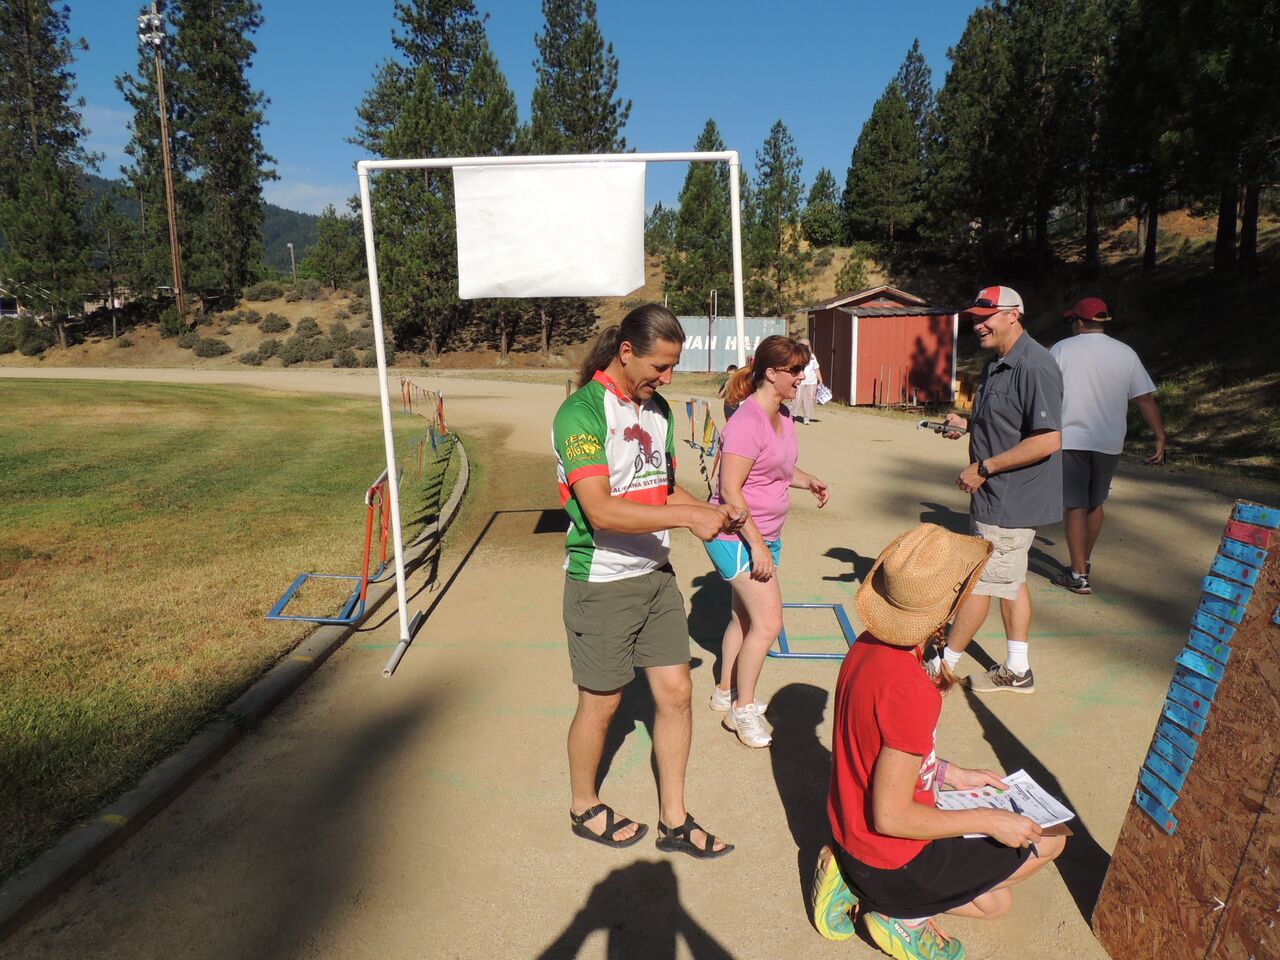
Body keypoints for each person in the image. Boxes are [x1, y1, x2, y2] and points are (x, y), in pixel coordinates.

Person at [812, 523, 1066, 959]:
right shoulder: (912, 688)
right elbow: (891, 816)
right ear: (952, 603)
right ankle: (896, 915)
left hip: (851, 838)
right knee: (1052, 838)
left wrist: (950, 773)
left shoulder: (867, 645)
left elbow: (873, 746)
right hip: (892, 859)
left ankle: (851, 880)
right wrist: (989, 820)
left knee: (995, 904)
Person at [552, 303, 746, 859]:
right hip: (601, 582)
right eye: (659, 366)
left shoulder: (657, 411)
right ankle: (583, 805)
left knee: (678, 694)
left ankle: (674, 820)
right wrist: (688, 518)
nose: (666, 378)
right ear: (626, 352)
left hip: (656, 576)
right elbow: (600, 510)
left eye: (672, 367)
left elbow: (660, 488)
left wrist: (710, 512)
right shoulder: (580, 413)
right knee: (602, 705)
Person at [705, 336, 829, 747]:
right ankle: (742, 710)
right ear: (771, 373)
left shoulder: (783, 415)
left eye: (803, 369)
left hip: (763, 535)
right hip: (736, 536)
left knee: (744, 618)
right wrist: (757, 545)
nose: (802, 377)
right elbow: (730, 489)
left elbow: (779, 468)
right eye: (795, 370)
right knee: (769, 622)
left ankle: (724, 691)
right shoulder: (747, 422)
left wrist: (808, 481)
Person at [937, 286, 1062, 694]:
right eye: (975, 318)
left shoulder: (1036, 365)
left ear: (1013, 315)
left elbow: (1047, 439)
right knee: (1011, 579)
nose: (978, 325)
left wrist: (984, 467)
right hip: (995, 497)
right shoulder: (996, 363)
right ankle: (1018, 669)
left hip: (1011, 500)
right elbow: (1007, 424)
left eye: (986, 317)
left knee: (980, 583)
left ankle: (943, 666)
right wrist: (967, 426)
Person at [1049, 297, 1166, 595]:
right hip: (1110, 441)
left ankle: (1078, 575)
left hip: (1071, 439)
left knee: (1074, 505)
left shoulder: (1061, 349)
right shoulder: (1125, 353)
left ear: (1078, 322)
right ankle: (1083, 562)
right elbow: (1144, 398)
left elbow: (1043, 391)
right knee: (1095, 503)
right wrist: (1160, 436)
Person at [793, 338, 824, 424]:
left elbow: (816, 369)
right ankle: (792, 415)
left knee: (809, 400)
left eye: (808, 345)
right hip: (800, 381)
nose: (807, 347)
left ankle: (807, 417)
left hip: (812, 382)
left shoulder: (813, 357)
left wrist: (820, 380)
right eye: (804, 345)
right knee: (797, 399)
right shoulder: (796, 356)